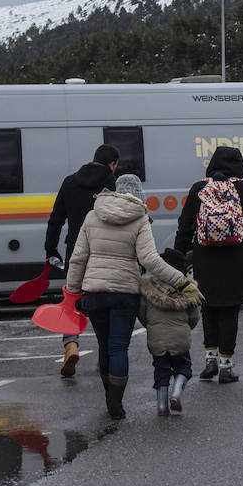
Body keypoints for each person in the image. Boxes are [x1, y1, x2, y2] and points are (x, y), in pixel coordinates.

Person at [65, 174, 189, 420]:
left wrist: (72, 290)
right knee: (119, 347)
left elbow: (78, 257)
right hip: (125, 293)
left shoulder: (93, 215)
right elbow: (149, 260)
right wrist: (180, 281)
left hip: (95, 292)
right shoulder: (140, 217)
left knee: (103, 345)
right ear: (139, 193)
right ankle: (116, 402)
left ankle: (109, 396)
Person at [173, 146, 243, 384]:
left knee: (208, 306)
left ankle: (209, 359)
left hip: (205, 257)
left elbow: (185, 225)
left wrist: (179, 258)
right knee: (230, 309)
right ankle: (226, 365)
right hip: (237, 258)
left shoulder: (199, 189)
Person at [45, 144, 118, 377]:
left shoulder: (70, 182)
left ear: (92, 158)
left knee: (72, 300)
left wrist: (51, 250)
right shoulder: (111, 184)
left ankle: (71, 345)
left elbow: (55, 219)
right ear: (112, 165)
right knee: (102, 304)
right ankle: (103, 357)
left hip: (75, 251)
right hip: (103, 251)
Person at [138, 253, 203, 416]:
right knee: (183, 368)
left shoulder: (148, 289)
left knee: (161, 372)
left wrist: (152, 327)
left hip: (157, 339)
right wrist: (186, 328)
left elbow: (142, 314)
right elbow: (194, 317)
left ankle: (161, 406)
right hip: (180, 338)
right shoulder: (188, 290)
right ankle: (176, 394)